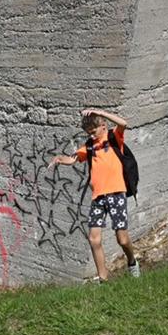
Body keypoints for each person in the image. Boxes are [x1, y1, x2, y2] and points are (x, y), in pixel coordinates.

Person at [47, 108, 140, 282]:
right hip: (98, 197)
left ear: (103, 126)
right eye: (88, 133)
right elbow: (73, 159)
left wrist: (100, 113)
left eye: (93, 131)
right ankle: (103, 278)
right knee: (94, 239)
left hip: (116, 194)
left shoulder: (114, 137)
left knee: (122, 239)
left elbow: (123, 123)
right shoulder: (89, 146)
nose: (91, 135)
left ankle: (132, 261)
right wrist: (60, 159)